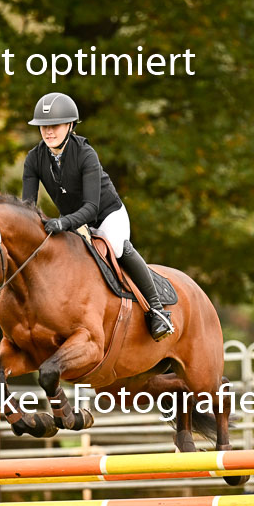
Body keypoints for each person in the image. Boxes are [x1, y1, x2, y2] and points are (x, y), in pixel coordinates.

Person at [22, 92, 175, 341]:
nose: (48, 132)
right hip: (70, 220)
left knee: (116, 247)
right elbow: (27, 207)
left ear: (70, 126)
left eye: (55, 126)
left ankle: (157, 310)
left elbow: (91, 208)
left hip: (106, 215)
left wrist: (62, 222)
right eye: (43, 127)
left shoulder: (86, 154)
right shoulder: (34, 158)